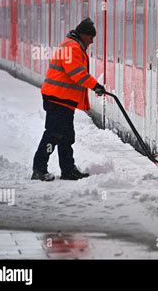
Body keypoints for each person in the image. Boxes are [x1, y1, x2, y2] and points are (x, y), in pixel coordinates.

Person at [32, 18, 106, 181]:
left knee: (66, 136)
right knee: (53, 135)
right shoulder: (72, 47)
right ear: (84, 35)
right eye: (91, 38)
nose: (92, 42)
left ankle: (68, 170)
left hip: (63, 99)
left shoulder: (73, 45)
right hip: (57, 99)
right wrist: (95, 85)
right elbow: (77, 73)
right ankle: (39, 169)